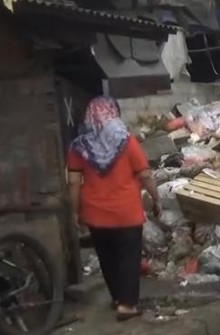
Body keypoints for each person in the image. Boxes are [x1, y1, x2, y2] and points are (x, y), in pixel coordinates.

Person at [67, 97, 160, 321]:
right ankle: (127, 305)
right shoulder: (125, 141)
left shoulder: (78, 146)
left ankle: (118, 297)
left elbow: (73, 182)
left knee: (107, 256)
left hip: (95, 213)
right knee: (128, 256)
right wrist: (156, 199)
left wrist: (73, 211)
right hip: (126, 211)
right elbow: (145, 174)